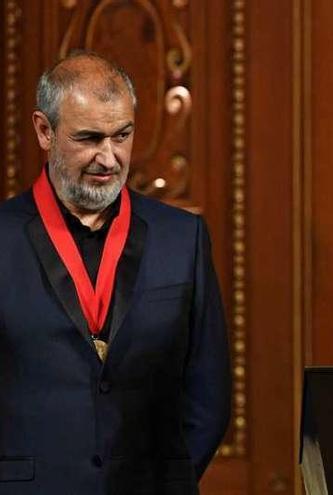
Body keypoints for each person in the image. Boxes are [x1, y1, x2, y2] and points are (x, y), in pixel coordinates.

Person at [0, 52, 230, 494]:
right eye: (89, 138)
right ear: (44, 131)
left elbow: (209, 396)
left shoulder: (183, 238)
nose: (109, 158)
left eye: (121, 135)